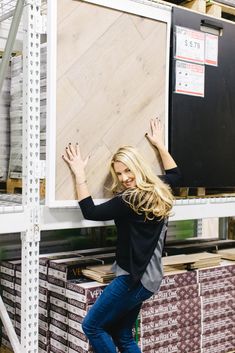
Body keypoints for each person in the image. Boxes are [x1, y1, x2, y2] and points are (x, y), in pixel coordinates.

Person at [62, 118, 181, 353]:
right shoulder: (157, 186)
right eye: (120, 173)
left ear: (138, 167)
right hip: (150, 277)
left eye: (128, 170)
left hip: (133, 278)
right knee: (123, 334)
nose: (125, 178)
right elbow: (176, 175)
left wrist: (79, 173)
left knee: (92, 326)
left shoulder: (129, 199)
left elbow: (90, 211)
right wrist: (159, 145)